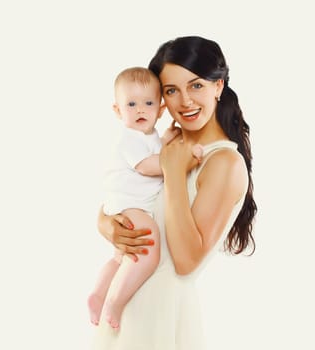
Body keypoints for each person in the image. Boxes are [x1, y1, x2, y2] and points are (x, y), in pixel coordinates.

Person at [92, 36, 257, 349]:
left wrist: (175, 171)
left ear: (218, 86)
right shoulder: (166, 145)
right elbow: (125, 191)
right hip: (126, 311)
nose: (185, 101)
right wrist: (106, 224)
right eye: (171, 90)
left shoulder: (223, 162)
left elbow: (185, 260)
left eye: (196, 86)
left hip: (160, 318)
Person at [87, 67, 203, 330]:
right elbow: (147, 166)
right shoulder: (128, 138)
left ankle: (97, 295)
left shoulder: (146, 137)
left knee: (119, 258)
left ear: (160, 110)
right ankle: (114, 304)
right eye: (131, 104)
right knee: (148, 250)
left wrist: (165, 139)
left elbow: (152, 150)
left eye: (148, 103)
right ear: (117, 111)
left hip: (128, 204)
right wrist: (182, 160)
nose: (140, 109)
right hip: (131, 205)